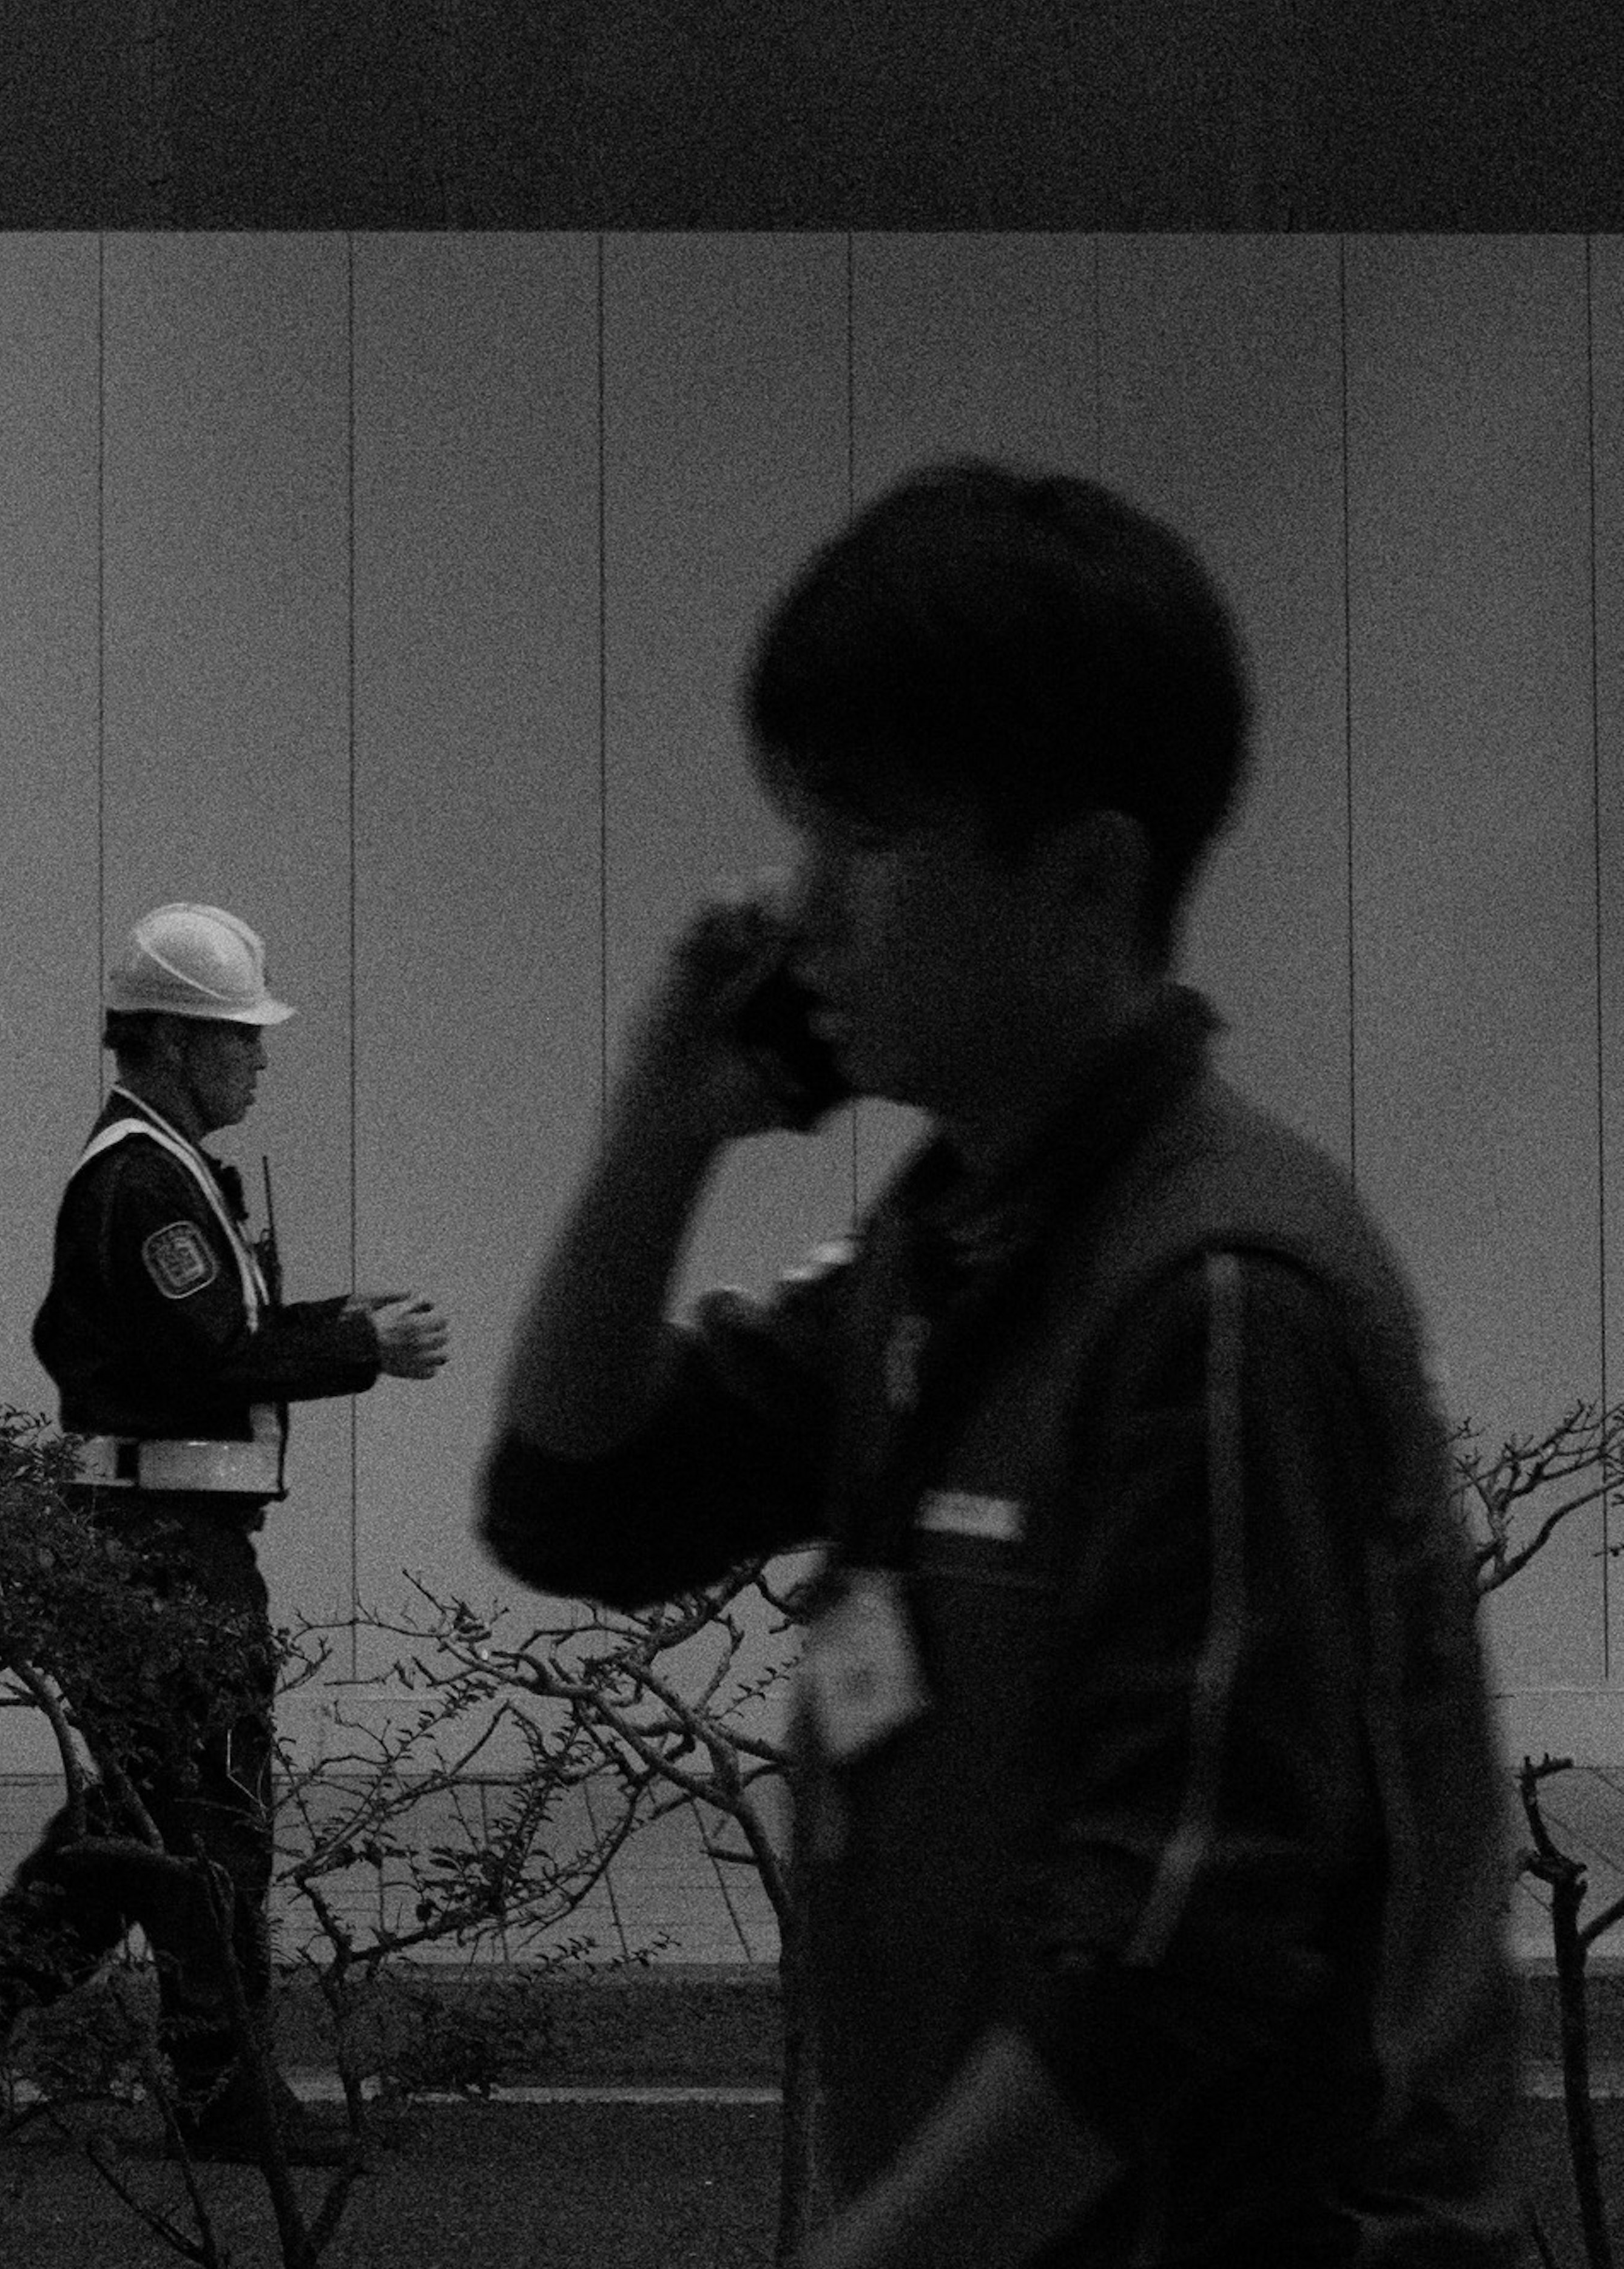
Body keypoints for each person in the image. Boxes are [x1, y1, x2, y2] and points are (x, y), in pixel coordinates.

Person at [476, 460, 1531, 2268]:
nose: (801, 910)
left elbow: (1174, 1949)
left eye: (867, 841)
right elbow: (580, 1501)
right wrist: (661, 1132)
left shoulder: (1214, 1298)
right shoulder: (954, 1248)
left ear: (1086, 879)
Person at [0, 902, 448, 2166]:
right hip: (161, 1544)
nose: (259, 1058)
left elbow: (207, 1334)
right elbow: (211, 1353)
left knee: (154, 1812)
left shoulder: (158, 1170)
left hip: (154, 1533)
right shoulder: (141, 1180)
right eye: (239, 1035)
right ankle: (221, 2095)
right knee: (210, 1814)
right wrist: (361, 1343)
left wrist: (337, 1316)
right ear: (170, 1039)